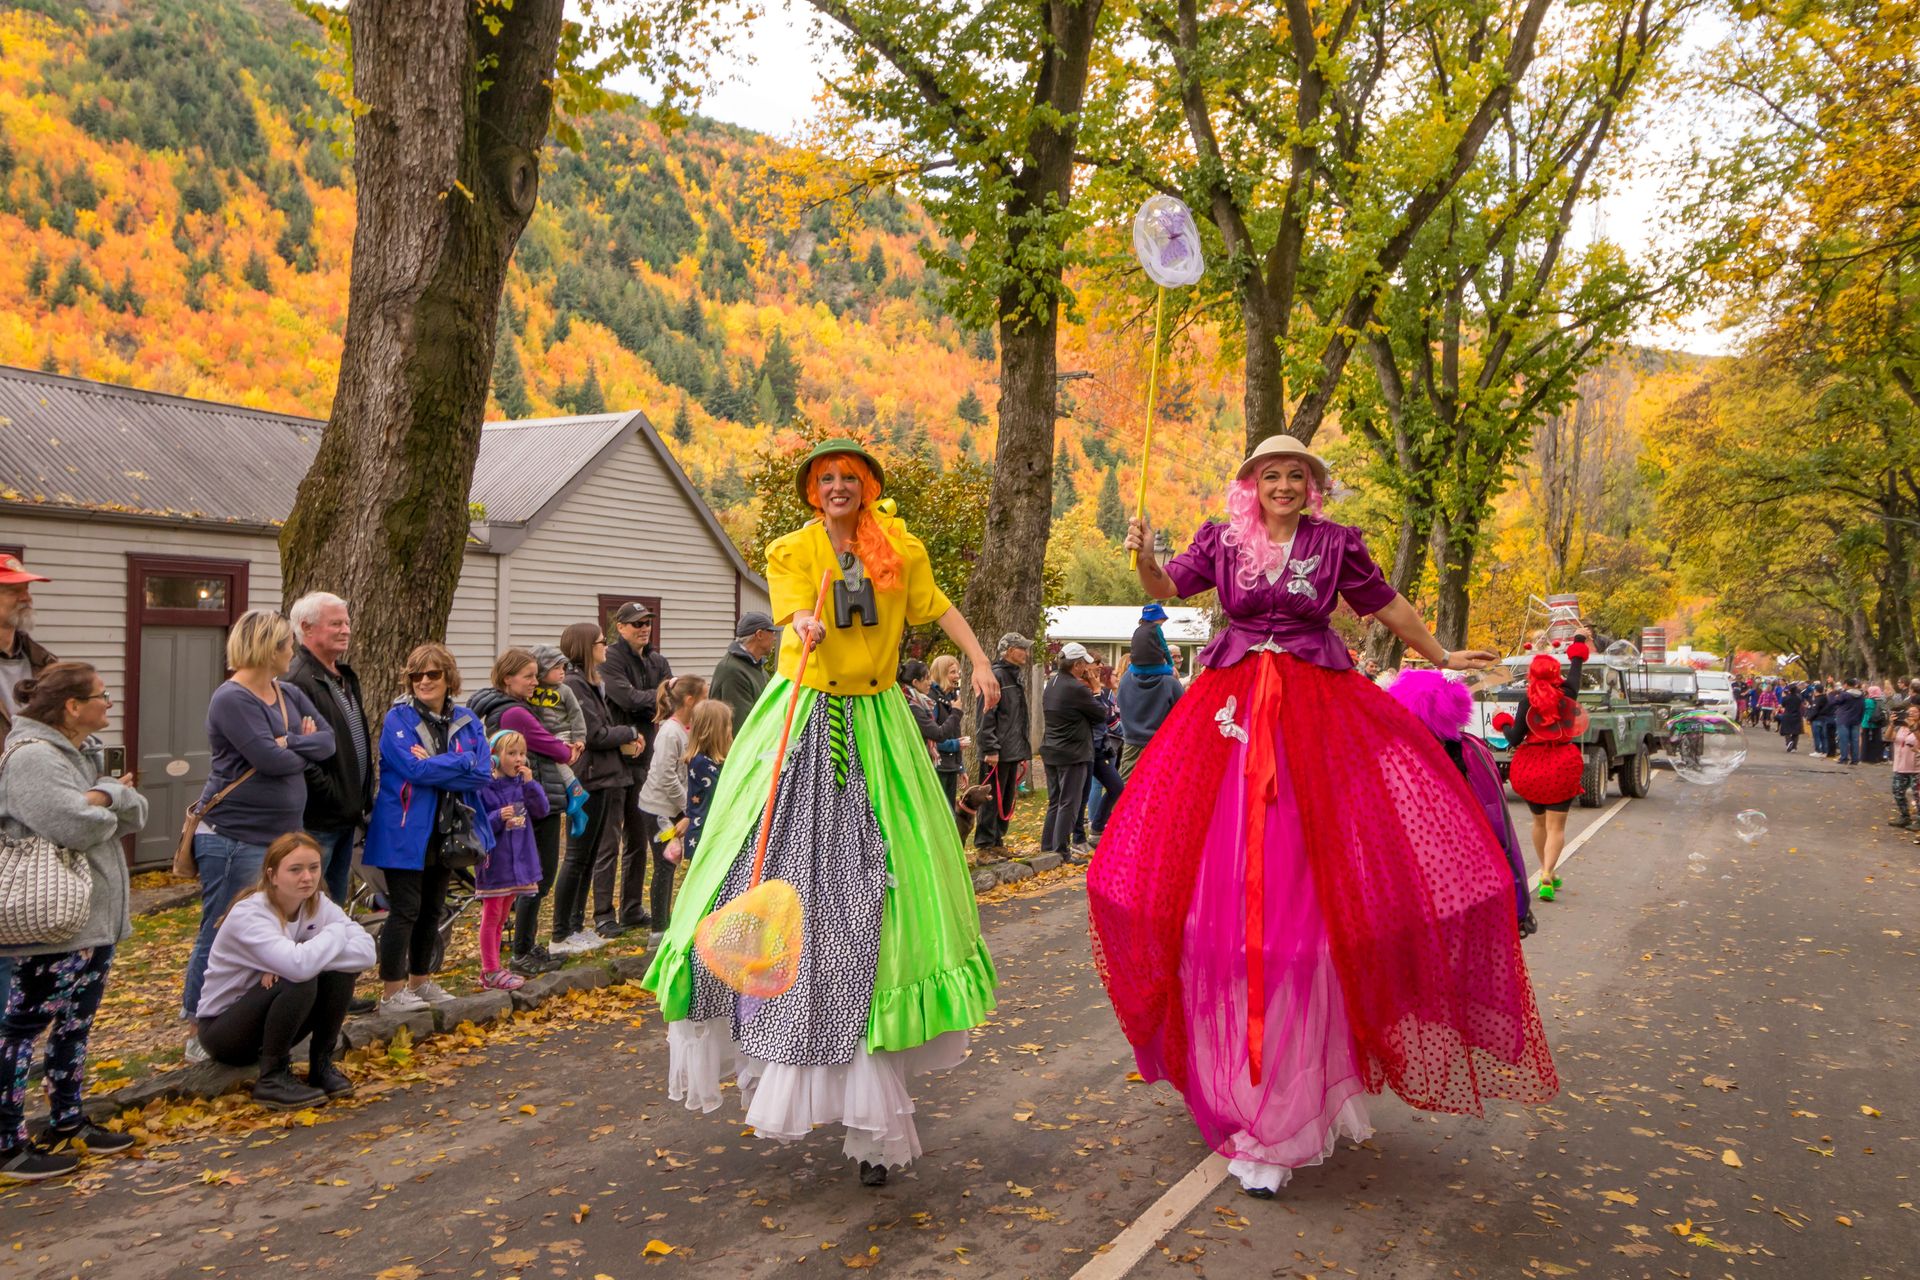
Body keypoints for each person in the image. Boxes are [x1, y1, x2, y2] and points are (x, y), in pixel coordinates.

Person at [1094, 434, 1556, 1199]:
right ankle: (1240, 1080)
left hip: (1315, 710)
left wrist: (1442, 653)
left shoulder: (1338, 544)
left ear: (1311, 487)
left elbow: (1390, 605)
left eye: (1295, 475)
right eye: (1270, 473)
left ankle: (1294, 1093)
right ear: (1253, 484)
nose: (1282, 483)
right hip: (1230, 714)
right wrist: (1143, 556)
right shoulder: (1221, 540)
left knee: (1310, 879)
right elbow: (1169, 587)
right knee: (1202, 872)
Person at [643, 438, 1002, 1188]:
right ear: (814, 490)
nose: (838, 487)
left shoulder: (898, 546)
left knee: (887, 891)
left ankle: (875, 1092)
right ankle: (755, 994)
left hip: (878, 723)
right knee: (763, 861)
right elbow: (791, 611)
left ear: (867, 486)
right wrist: (801, 624)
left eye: (850, 478)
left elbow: (938, 609)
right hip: (805, 712)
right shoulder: (793, 549)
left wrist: (977, 658)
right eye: (826, 479)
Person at [0, 663, 148, 1180]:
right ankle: (6, 1144)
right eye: (102, 697)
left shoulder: (79, 754)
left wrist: (106, 795)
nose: (109, 705)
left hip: (91, 921)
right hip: (50, 923)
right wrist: (114, 797)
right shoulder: (35, 759)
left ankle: (66, 1120)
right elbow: (74, 825)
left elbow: (131, 811)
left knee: (76, 1024)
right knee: (22, 1030)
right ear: (71, 706)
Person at [183, 611, 336, 1046]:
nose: (293, 653)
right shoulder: (232, 699)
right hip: (234, 837)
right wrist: (294, 748)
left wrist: (292, 744)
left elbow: (328, 742)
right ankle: (200, 1024)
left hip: (281, 837)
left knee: (277, 926)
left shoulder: (285, 692)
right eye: (288, 646)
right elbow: (268, 761)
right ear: (270, 649)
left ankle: (255, 1019)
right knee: (221, 926)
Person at [194, 832, 376, 1110]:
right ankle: (272, 1080)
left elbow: (366, 953)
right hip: (224, 1031)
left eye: (314, 868)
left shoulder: (318, 904)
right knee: (298, 979)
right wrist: (336, 933)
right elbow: (299, 967)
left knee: (336, 974)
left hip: (273, 1019)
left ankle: (321, 1066)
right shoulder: (250, 914)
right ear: (272, 875)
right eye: (295, 869)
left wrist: (305, 953)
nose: (307, 877)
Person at [362, 643, 492, 1012]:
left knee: (434, 908)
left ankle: (420, 982)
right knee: (405, 909)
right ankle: (391, 991)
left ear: (448, 677)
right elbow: (413, 771)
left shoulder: (466, 718)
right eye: (416, 675)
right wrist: (460, 762)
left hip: (447, 830)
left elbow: (482, 774)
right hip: (403, 829)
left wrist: (447, 761)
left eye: (432, 673)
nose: (424, 681)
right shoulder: (398, 718)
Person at [468, 649, 576, 977]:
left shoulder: (510, 707)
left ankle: (524, 945)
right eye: (528, 676)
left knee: (533, 878)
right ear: (507, 679)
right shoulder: (514, 713)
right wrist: (569, 748)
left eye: (535, 675)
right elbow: (556, 749)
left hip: (534, 794)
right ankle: (522, 950)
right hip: (529, 801)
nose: (535, 681)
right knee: (536, 879)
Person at [547, 624, 641, 955]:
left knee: (585, 858)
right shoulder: (574, 685)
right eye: (602, 643)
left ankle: (575, 926)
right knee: (575, 857)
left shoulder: (590, 684)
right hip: (586, 779)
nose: (606, 647)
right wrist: (628, 731)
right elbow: (595, 735)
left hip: (603, 776)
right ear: (588, 647)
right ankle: (560, 933)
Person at [284, 592, 373, 906]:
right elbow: (296, 754)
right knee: (308, 910)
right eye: (336, 623)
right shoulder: (297, 681)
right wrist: (336, 796)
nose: (346, 630)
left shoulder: (344, 678)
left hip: (346, 819)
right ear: (307, 628)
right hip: (317, 822)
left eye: (347, 623)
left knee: (332, 908)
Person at [1492, 640, 1592, 903]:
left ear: (1532, 675)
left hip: (1530, 766)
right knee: (1556, 826)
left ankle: (1548, 871)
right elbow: (1578, 664)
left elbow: (1513, 739)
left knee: (1538, 823)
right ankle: (1547, 872)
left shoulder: (1527, 702)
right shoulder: (1569, 692)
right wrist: (1579, 641)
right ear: (1556, 672)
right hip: (1562, 763)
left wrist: (1502, 721)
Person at [0, 553, 56, 1019]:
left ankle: (15, 1040)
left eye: (26, 586)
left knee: (27, 931)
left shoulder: (44, 664)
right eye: (14, 589)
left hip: (34, 818)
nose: (26, 595)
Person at [600, 602, 672, 937]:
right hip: (616, 757)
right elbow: (625, 699)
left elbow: (672, 700)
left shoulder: (657, 659)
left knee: (639, 839)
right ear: (621, 628)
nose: (644, 627)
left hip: (648, 759)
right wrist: (657, 697)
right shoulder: (612, 658)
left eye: (647, 622)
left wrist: (656, 698)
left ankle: (632, 909)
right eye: (636, 623)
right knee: (610, 839)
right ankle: (603, 914)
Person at [637, 674, 709, 945]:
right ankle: (658, 930)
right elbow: (667, 775)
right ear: (690, 700)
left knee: (674, 862)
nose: (707, 702)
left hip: (677, 809)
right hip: (660, 812)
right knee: (666, 864)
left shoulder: (689, 729)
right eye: (704, 697)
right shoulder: (670, 732)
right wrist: (688, 808)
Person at [474, 731, 548, 991]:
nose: (518, 759)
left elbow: (542, 810)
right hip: (496, 862)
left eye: (521, 753)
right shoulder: (483, 785)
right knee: (492, 914)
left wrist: (530, 784)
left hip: (520, 859)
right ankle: (489, 969)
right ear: (494, 757)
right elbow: (477, 822)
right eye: (511, 753)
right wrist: (497, 817)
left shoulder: (521, 783)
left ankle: (495, 967)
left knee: (503, 914)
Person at [1040, 644, 1105, 859]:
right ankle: (1061, 850)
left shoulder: (1052, 683)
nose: (1087, 668)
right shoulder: (1076, 688)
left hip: (1052, 747)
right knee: (1069, 801)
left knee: (1056, 800)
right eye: (1084, 664)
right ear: (1076, 665)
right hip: (1072, 751)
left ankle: (1048, 847)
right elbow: (1100, 714)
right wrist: (1096, 690)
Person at [973, 633, 1032, 854]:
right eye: (1021, 648)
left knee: (1006, 800)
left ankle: (998, 842)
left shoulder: (1014, 677)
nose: (1025, 653)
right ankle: (985, 846)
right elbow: (986, 716)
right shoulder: (996, 676)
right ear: (1008, 651)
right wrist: (990, 748)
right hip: (997, 751)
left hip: (1012, 749)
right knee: (990, 800)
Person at [524, 644, 589, 833]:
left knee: (556, 757)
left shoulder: (565, 690)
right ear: (541, 670)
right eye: (556, 668)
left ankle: (576, 789)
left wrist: (580, 739)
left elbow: (577, 715)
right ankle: (577, 810)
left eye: (563, 668)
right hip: (543, 736)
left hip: (563, 733)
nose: (562, 673)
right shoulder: (532, 690)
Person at [1117, 605, 1183, 782]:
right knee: (1158, 786)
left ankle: (1120, 810)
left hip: (1132, 741)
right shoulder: (1169, 683)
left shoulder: (1126, 679)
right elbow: (1183, 712)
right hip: (1161, 744)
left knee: (1125, 787)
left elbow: (1120, 704)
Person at [901, 660, 966, 805]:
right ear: (915, 682)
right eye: (926, 678)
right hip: (929, 765)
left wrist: (961, 766)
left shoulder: (922, 703)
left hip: (944, 763)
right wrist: (956, 712)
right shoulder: (914, 706)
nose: (930, 682)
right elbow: (938, 734)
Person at [680, 700, 733, 864]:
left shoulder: (711, 762)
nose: (731, 729)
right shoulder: (701, 763)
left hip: (710, 835)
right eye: (728, 725)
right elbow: (725, 790)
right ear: (715, 731)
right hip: (704, 838)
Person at [711, 612, 778, 734]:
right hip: (738, 751)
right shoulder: (732, 671)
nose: (775, 638)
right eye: (772, 632)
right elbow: (741, 728)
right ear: (759, 634)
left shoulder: (757, 667)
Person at [1083, 663, 1125, 846]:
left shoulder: (1108, 693)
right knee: (1095, 785)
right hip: (1102, 742)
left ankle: (1096, 826)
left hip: (1104, 744)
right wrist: (1121, 730)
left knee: (1114, 785)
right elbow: (1104, 715)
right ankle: (1091, 824)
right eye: (1113, 674)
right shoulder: (1099, 692)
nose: (1116, 677)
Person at [927, 654, 968, 807]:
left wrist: (961, 767)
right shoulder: (932, 699)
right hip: (937, 767)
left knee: (950, 812)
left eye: (958, 672)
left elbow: (954, 733)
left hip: (951, 765)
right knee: (940, 811)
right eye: (952, 672)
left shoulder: (952, 697)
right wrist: (955, 745)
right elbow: (931, 739)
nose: (957, 676)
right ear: (941, 673)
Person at [1890, 704, 1920, 829]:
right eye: (1908, 712)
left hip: (1916, 767)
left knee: (1917, 794)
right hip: (1901, 765)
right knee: (1897, 791)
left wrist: (1912, 726)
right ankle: (1904, 816)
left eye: (1914, 712)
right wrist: (1892, 724)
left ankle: (1919, 820)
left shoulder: (1916, 727)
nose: (1911, 714)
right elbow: (1887, 737)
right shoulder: (1901, 727)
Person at [1832, 678, 1865, 766]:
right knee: (1855, 740)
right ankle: (1855, 759)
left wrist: (1834, 696)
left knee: (1844, 740)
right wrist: (1860, 719)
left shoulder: (1844, 695)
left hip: (1843, 719)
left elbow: (1834, 702)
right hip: (1856, 720)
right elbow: (1863, 708)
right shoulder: (1861, 695)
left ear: (1846, 684)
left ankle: (1844, 758)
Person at [1778, 681, 1805, 752]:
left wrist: (1783, 696)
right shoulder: (1799, 697)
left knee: (1786, 731)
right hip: (1797, 715)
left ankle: (1789, 741)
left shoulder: (1786, 698)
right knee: (1795, 732)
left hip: (1787, 714)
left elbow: (1783, 705)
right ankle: (1794, 747)